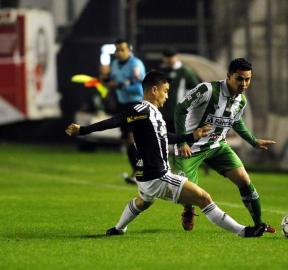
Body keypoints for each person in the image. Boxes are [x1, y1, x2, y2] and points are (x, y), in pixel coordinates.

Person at [65, 71, 274, 237]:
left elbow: (165, 138)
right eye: (165, 91)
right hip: (158, 176)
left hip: (145, 176)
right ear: (154, 90)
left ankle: (118, 228)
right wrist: (83, 130)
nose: (167, 96)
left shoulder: (152, 113)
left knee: (142, 202)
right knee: (203, 197)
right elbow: (115, 120)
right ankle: (243, 231)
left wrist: (191, 136)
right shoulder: (141, 109)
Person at [174, 58, 276, 231]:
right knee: (187, 191)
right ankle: (188, 209)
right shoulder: (207, 89)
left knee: (244, 180)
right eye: (239, 78)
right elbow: (180, 109)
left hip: (218, 146)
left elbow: (236, 121)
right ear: (229, 76)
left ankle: (259, 224)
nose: (244, 83)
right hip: (191, 147)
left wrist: (253, 141)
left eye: (247, 79)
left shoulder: (241, 101)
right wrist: (183, 141)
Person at [107, 38, 146, 184]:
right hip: (122, 104)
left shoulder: (135, 64)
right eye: (117, 50)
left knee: (132, 137)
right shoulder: (115, 64)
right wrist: (107, 80)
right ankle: (136, 172)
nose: (119, 53)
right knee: (126, 139)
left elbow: (139, 87)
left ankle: (140, 172)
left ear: (130, 50)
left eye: (122, 49)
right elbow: (114, 82)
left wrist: (120, 86)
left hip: (136, 104)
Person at [159, 49, 201, 133]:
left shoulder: (185, 72)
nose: (169, 59)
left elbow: (196, 88)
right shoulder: (160, 71)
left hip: (179, 111)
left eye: (171, 57)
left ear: (177, 56)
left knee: (180, 138)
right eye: (167, 57)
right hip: (162, 111)